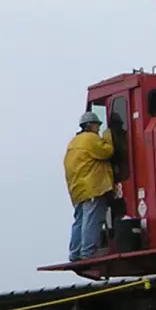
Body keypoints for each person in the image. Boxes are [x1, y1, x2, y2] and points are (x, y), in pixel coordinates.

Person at [64, 110, 115, 261]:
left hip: (78, 189)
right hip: (93, 187)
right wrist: (108, 137)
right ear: (90, 125)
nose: (98, 128)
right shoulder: (91, 139)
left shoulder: (74, 142)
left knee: (80, 220)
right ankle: (88, 252)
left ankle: (75, 253)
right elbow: (107, 152)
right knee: (92, 219)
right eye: (97, 125)